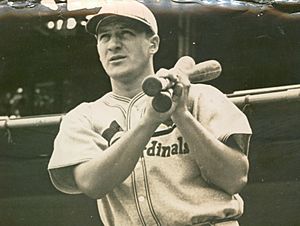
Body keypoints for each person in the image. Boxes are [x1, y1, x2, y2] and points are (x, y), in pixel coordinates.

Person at [48, 1, 252, 225]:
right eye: (104, 36)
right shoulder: (84, 116)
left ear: (153, 44)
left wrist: (182, 116)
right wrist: (148, 122)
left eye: (125, 33)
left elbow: (235, 178)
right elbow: (91, 184)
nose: (113, 44)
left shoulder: (201, 96)